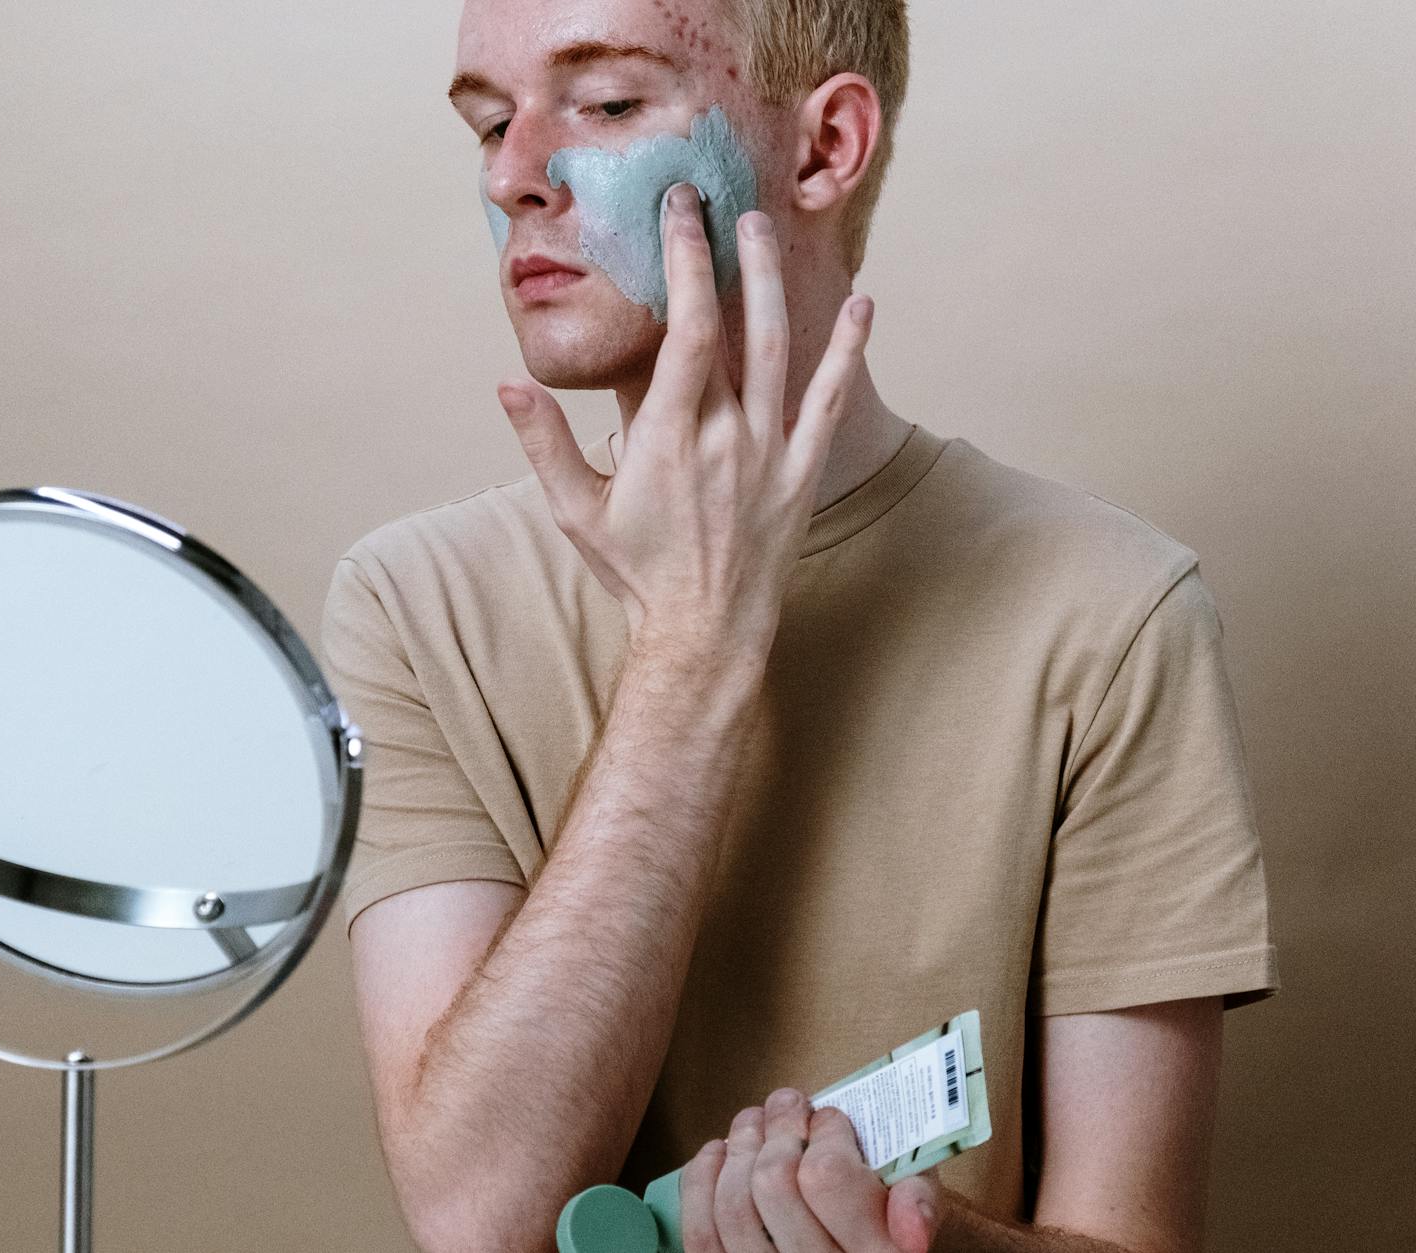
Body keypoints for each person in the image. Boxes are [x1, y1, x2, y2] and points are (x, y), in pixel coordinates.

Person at [317, 0, 1280, 1249]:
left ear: (825, 148)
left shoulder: (1106, 612)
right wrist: (690, 651)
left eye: (605, 105)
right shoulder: (411, 603)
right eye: (490, 123)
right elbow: (478, 1217)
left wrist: (905, 1236)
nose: (511, 176)